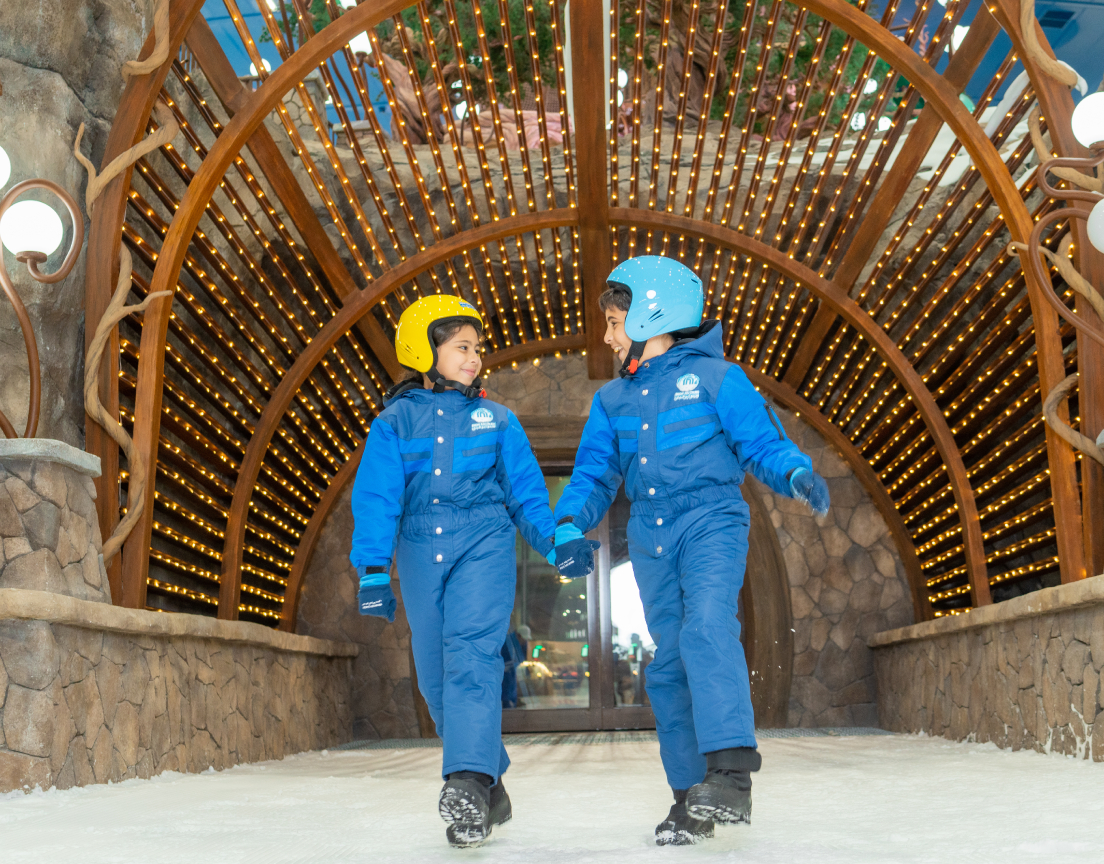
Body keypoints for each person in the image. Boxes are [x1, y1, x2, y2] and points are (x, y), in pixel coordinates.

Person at [549, 256, 830, 846]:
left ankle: (731, 773)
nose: (606, 334)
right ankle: (689, 795)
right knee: (670, 664)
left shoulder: (718, 379)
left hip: (711, 520)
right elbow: (593, 475)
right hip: (650, 536)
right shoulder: (612, 401)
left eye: (616, 320)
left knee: (707, 628)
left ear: (655, 314)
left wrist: (795, 473)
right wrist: (570, 525)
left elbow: (760, 445)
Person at [349, 295, 556, 848]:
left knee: (471, 657)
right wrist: (373, 569)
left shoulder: (498, 420)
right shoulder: (394, 422)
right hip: (419, 547)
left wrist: (556, 540)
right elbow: (377, 497)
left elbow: (528, 496)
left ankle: (465, 781)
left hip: (483, 539)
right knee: (435, 679)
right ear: (424, 349)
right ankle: (492, 782)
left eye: (477, 348)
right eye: (462, 347)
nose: (475, 358)